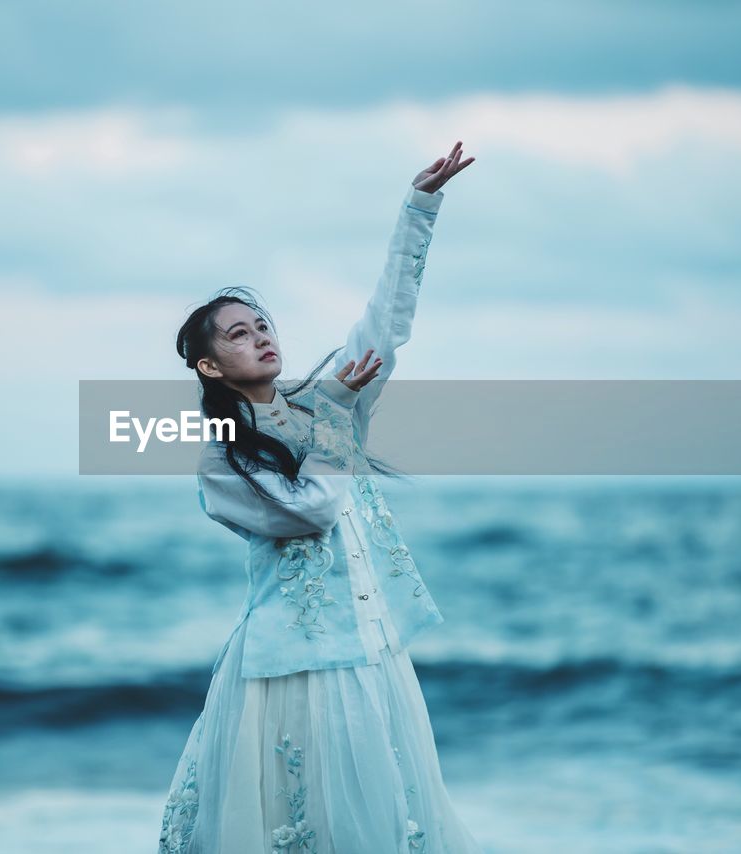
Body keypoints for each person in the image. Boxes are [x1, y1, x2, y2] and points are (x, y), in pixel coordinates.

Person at [161, 142, 480, 853]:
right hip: (292, 674)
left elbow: (385, 328)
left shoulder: (321, 402)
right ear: (212, 365)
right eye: (239, 334)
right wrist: (339, 416)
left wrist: (419, 205)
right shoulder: (223, 458)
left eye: (263, 324)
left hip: (373, 658)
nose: (261, 337)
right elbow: (311, 509)